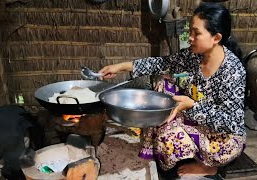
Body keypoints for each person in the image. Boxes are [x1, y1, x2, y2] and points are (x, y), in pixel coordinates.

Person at [98, 2, 246, 177]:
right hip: (195, 117)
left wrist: (193, 106)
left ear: (216, 38)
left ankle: (208, 165)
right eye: (190, 31)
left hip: (222, 138)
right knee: (163, 85)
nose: (190, 37)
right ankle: (168, 148)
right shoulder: (194, 56)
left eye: (196, 33)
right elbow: (163, 63)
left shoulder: (233, 71)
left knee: (168, 137)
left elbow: (231, 122)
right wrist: (122, 66)